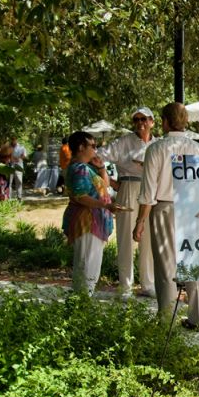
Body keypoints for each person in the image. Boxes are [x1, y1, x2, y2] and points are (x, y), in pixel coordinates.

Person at [134, 103, 199, 330]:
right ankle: (198, 317)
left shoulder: (156, 149)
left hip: (165, 207)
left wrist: (140, 221)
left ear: (165, 121)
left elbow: (148, 191)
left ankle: (166, 319)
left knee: (166, 265)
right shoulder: (198, 149)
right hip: (193, 208)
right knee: (194, 262)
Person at [98, 107, 158, 299]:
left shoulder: (158, 144)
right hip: (129, 186)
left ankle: (148, 284)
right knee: (125, 237)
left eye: (144, 119)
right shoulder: (124, 142)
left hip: (150, 192)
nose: (140, 122)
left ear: (152, 122)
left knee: (148, 239)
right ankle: (125, 285)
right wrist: (111, 182)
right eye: (136, 119)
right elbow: (98, 157)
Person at [62, 131, 119, 295]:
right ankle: (81, 306)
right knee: (87, 266)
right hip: (87, 222)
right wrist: (106, 206)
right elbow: (81, 197)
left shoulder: (86, 168)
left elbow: (105, 185)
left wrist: (101, 168)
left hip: (93, 221)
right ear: (81, 147)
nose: (96, 149)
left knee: (89, 267)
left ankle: (82, 304)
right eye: (93, 146)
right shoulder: (79, 169)